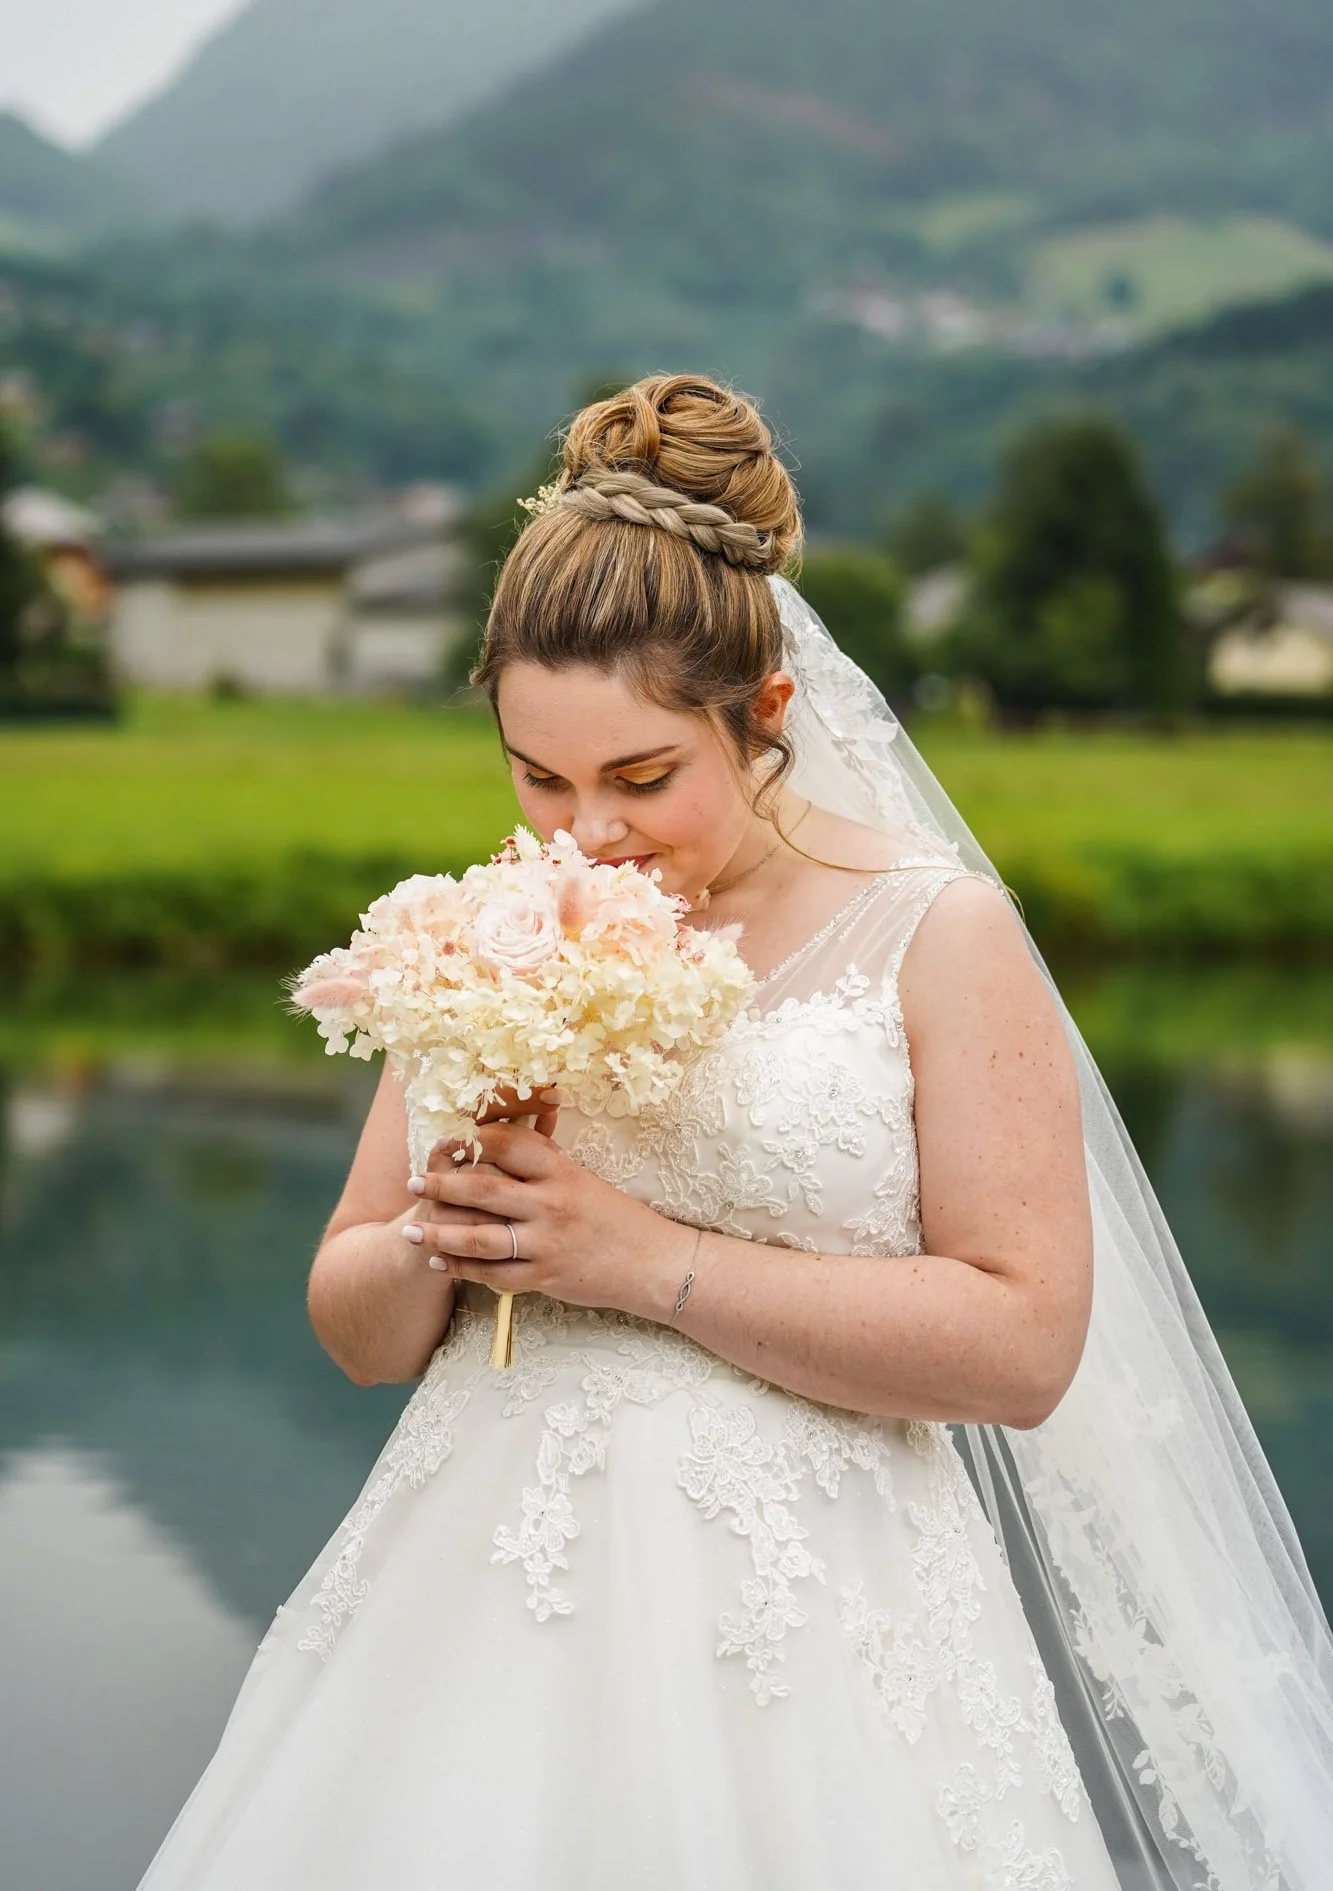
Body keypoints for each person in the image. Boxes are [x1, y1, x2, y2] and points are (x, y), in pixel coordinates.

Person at [140, 376, 1332, 1890]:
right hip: (485, 1610)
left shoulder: (936, 934)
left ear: (766, 717)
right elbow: (363, 1333)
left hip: (829, 1635)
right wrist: (449, 1222)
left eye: (642, 778)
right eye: (537, 777)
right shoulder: (498, 925)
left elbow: (1026, 1345)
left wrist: (636, 1258)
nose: (586, 834)